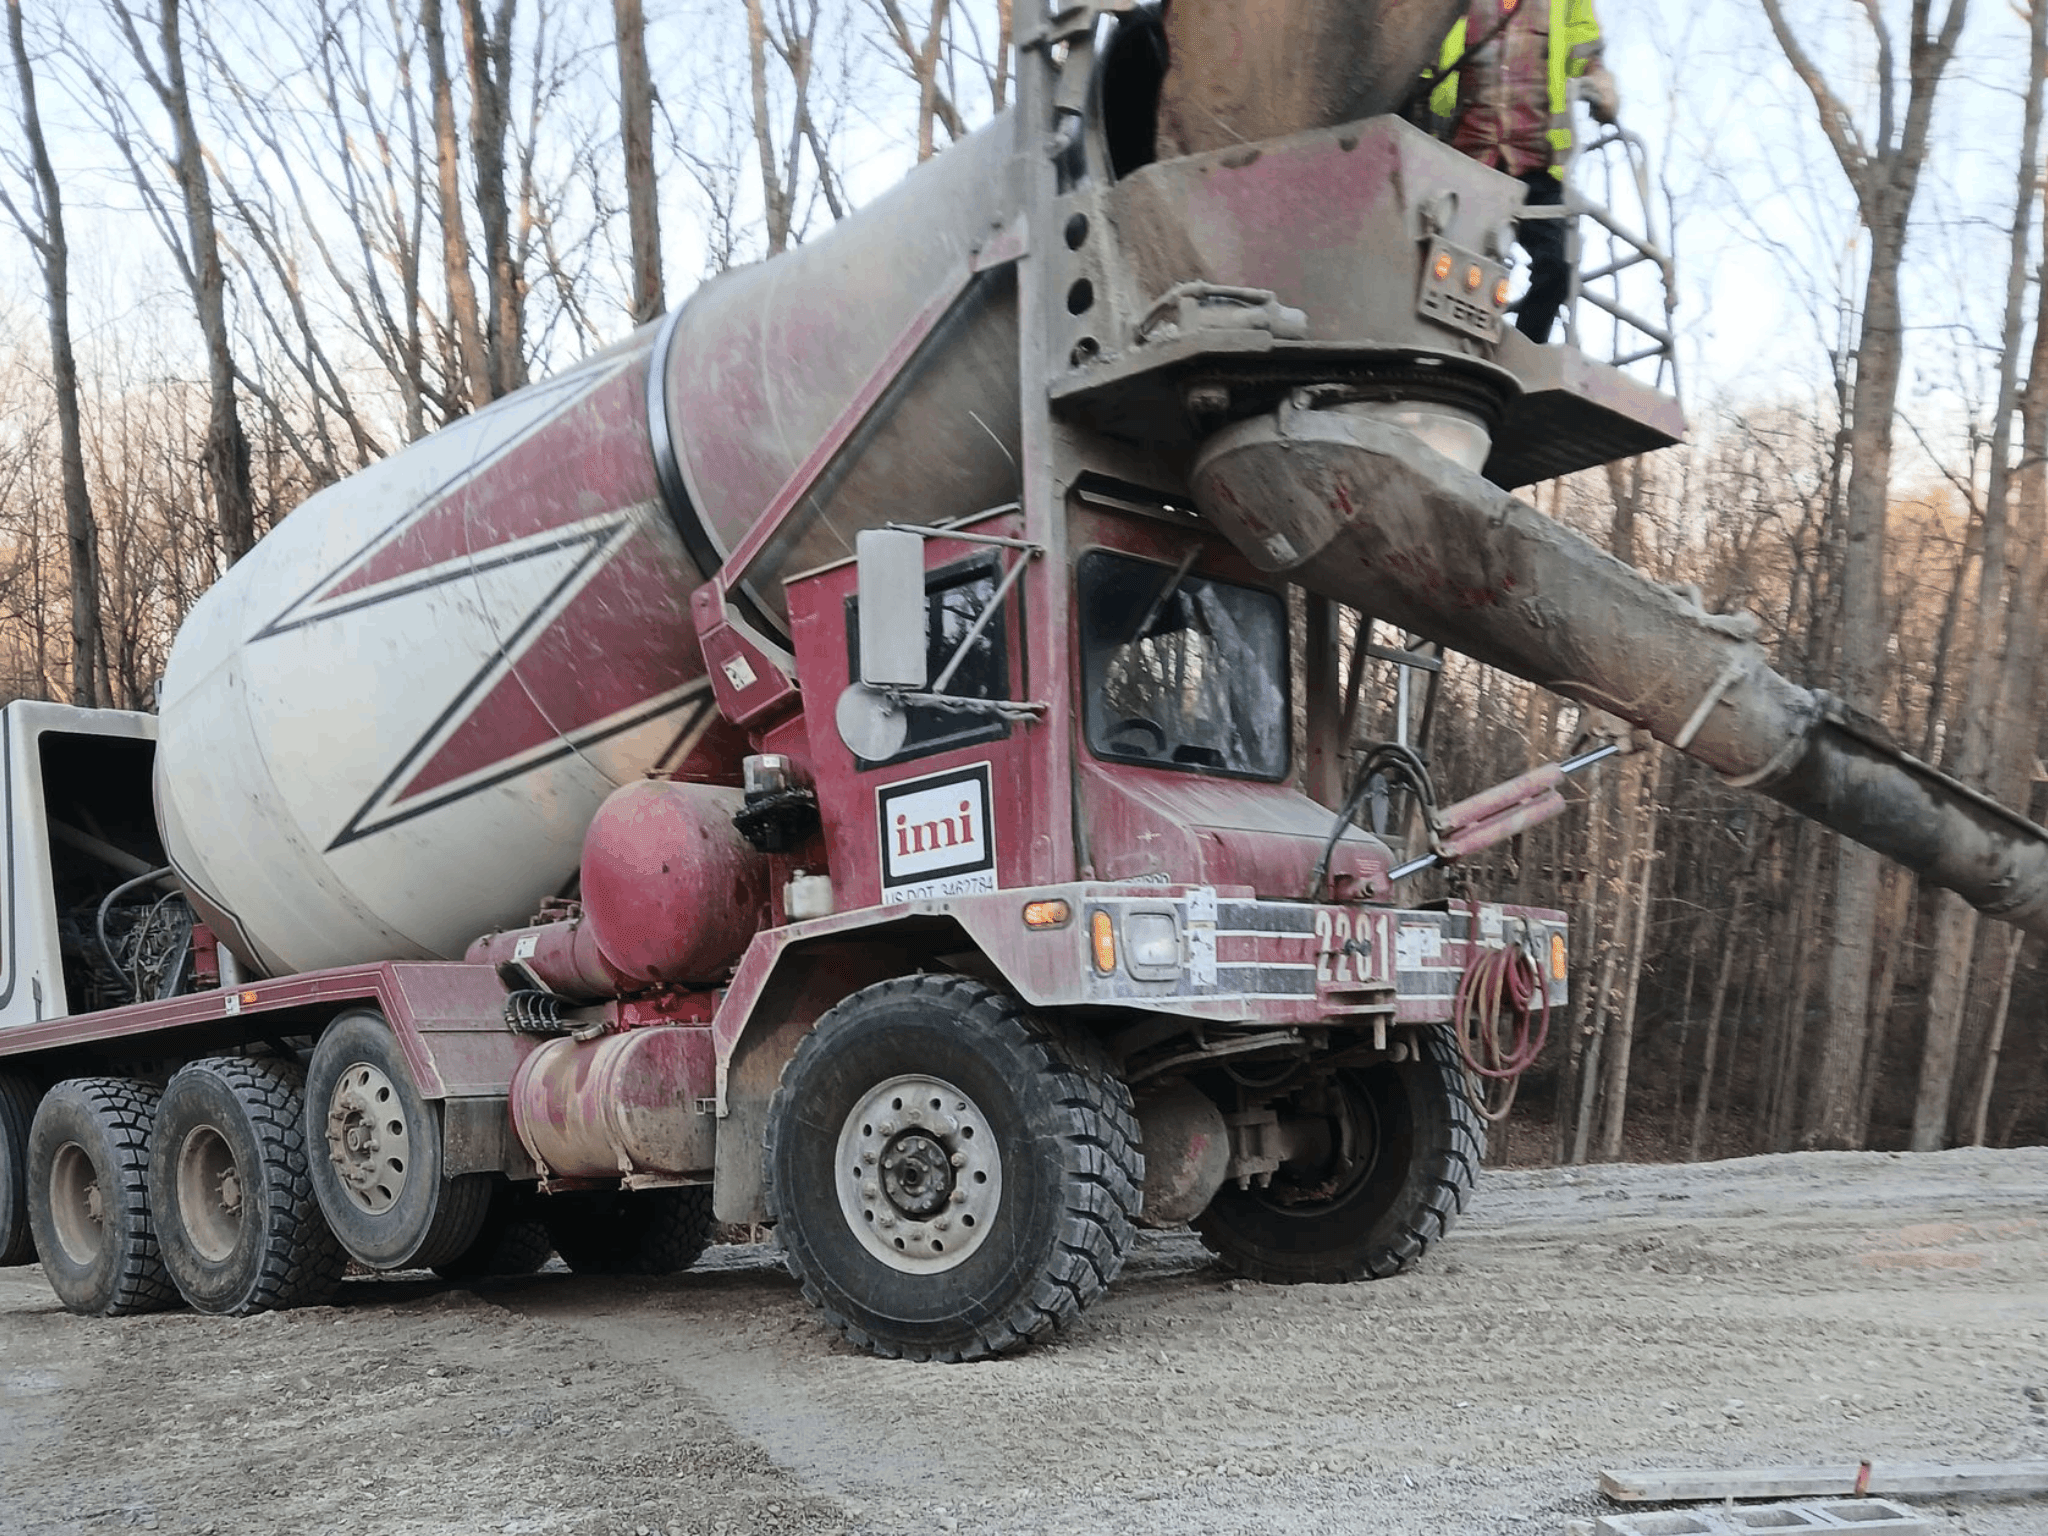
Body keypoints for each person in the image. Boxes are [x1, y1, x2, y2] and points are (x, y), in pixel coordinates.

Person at [1427, 0, 1619, 344]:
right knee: (1444, 267)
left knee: (1559, 266)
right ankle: (1439, 349)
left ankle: (1521, 352)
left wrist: (1599, 78)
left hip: (1536, 163)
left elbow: (1584, 48)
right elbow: (1424, 58)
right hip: (1466, 159)